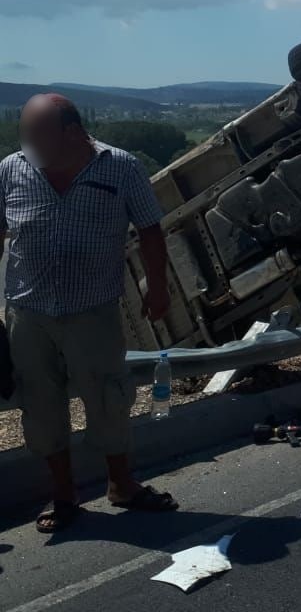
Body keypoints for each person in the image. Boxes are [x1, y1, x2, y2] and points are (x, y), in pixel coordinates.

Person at [0, 94, 179, 533]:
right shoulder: (10, 169)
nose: (27, 144)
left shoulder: (121, 167)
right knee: (40, 408)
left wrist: (157, 287)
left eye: (37, 135)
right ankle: (63, 496)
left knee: (108, 399)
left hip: (92, 309)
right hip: (28, 312)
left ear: (73, 131)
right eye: (25, 134)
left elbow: (151, 229)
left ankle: (122, 485)